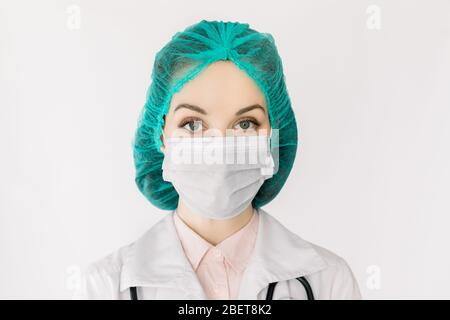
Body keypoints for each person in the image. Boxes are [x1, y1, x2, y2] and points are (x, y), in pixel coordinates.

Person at [73, 20, 361, 300]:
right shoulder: (104, 287)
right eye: (193, 124)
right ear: (161, 136)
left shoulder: (329, 283)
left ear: (274, 139)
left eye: (245, 124)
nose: (220, 147)